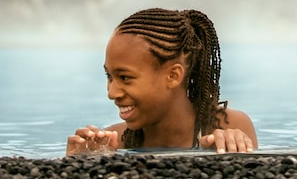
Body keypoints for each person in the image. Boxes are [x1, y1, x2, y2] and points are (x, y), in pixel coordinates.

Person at [66, 8, 257, 154]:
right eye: (109, 76)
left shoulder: (230, 127)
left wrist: (235, 150)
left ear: (173, 76)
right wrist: (77, 164)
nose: (111, 93)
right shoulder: (115, 143)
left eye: (125, 77)